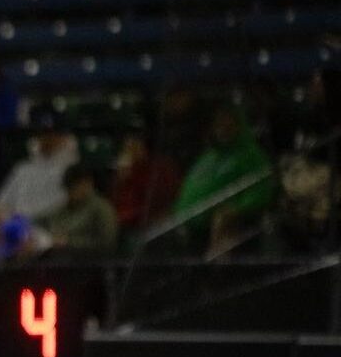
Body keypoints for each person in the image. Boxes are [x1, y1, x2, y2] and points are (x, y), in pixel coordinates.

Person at [173, 105, 274, 255]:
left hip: (231, 234)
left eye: (229, 123)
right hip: (191, 235)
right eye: (219, 123)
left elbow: (261, 188)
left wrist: (236, 209)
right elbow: (189, 189)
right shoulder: (208, 157)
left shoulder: (250, 155)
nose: (223, 128)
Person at [0, 107, 79, 222]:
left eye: (52, 134)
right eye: (42, 134)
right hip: (16, 229)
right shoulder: (23, 168)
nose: (47, 140)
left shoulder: (72, 171)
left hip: (51, 230)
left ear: (63, 136)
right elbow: (0, 203)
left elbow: (62, 208)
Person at [111, 128, 182, 234]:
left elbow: (155, 205)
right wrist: (121, 179)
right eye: (127, 147)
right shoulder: (127, 170)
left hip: (150, 226)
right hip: (124, 224)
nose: (130, 151)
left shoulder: (160, 169)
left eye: (134, 145)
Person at [44, 164, 118, 255]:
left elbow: (107, 243)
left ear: (87, 184)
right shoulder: (64, 208)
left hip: (89, 261)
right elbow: (48, 220)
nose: (70, 193)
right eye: (68, 188)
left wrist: (69, 242)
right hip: (59, 257)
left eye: (74, 187)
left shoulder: (101, 208)